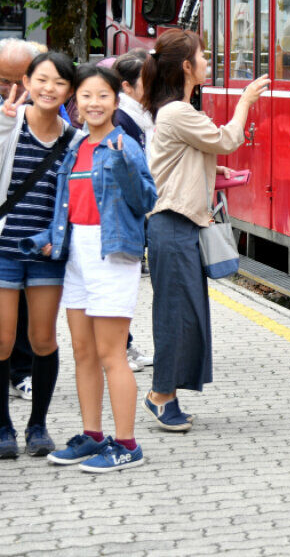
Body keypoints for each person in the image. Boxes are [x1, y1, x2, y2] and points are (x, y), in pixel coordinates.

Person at [24, 64, 156, 471]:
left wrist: (123, 164)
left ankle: (127, 444)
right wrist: (49, 238)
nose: (94, 103)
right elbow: (66, 205)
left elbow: (146, 200)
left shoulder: (124, 144)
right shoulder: (76, 147)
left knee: (110, 352)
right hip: (76, 254)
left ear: (116, 101)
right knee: (82, 351)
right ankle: (93, 436)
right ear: (75, 102)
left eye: (103, 96)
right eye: (86, 96)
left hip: (112, 254)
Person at [141, 30, 269, 431]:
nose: (208, 63)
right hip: (172, 224)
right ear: (186, 66)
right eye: (203, 57)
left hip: (179, 225)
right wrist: (245, 102)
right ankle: (160, 395)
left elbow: (191, 155)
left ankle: (168, 393)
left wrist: (213, 168)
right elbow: (227, 139)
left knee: (186, 313)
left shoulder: (174, 111)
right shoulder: (178, 112)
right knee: (176, 314)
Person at [0, 52, 76, 458]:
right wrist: (3, 124)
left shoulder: (74, 139)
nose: (49, 88)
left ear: (69, 90)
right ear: (27, 82)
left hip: (47, 253)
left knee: (43, 339)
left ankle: (38, 426)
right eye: (42, 79)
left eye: (59, 82)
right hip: (3, 249)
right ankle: (3, 427)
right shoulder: (8, 122)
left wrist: (59, 238)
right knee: (2, 340)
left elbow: (76, 199)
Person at [0, 39, 41, 402]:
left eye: (20, 80)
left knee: (25, 305)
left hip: (28, 225)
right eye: (3, 80)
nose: (12, 89)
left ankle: (23, 371)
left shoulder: (47, 110)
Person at [113, 48, 156, 369]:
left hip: (134, 211)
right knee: (118, 289)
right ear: (126, 87)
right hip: (123, 214)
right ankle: (118, 349)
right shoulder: (122, 120)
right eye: (146, 81)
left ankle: (124, 345)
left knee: (125, 289)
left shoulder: (140, 116)